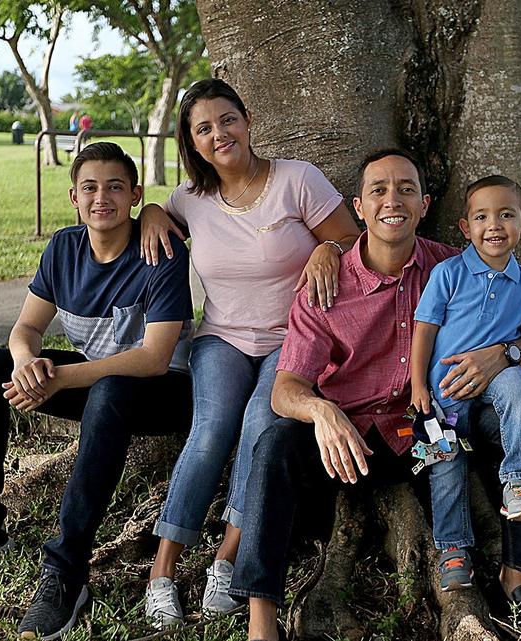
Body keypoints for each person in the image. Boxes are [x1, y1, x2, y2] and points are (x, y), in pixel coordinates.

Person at [229, 149, 521, 641]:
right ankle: (261, 616)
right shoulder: (327, 283)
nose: (393, 200)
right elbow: (284, 389)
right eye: (378, 190)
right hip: (351, 443)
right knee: (274, 445)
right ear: (358, 207)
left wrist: (504, 353)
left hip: (431, 432)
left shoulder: (456, 268)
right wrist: (321, 411)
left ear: (424, 204)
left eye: (406, 188)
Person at [0, 142, 194, 641]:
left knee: (111, 388)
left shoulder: (161, 251)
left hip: (166, 390)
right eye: (89, 187)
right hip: (98, 379)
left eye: (114, 186)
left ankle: (68, 567)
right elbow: (26, 327)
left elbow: (153, 359)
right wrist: (26, 364)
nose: (101, 197)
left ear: (134, 195)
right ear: (73, 196)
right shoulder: (65, 248)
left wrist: (58, 379)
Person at [138, 78, 361, 627]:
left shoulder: (296, 179)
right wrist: (147, 209)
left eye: (227, 120)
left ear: (248, 119)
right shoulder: (189, 200)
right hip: (221, 338)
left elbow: (354, 239)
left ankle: (225, 561)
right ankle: (161, 573)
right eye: (204, 129)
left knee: (261, 428)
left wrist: (328, 249)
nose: (220, 134)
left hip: (294, 339)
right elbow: (159, 218)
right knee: (212, 428)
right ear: (192, 142)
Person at [409, 174, 521, 589]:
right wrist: (418, 385)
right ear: (466, 228)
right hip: (444, 392)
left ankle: (519, 482)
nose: (493, 225)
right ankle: (453, 550)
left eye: (505, 215)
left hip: (496, 382)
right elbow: (424, 329)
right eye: (481, 216)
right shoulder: (448, 274)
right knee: (446, 466)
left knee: (519, 386)